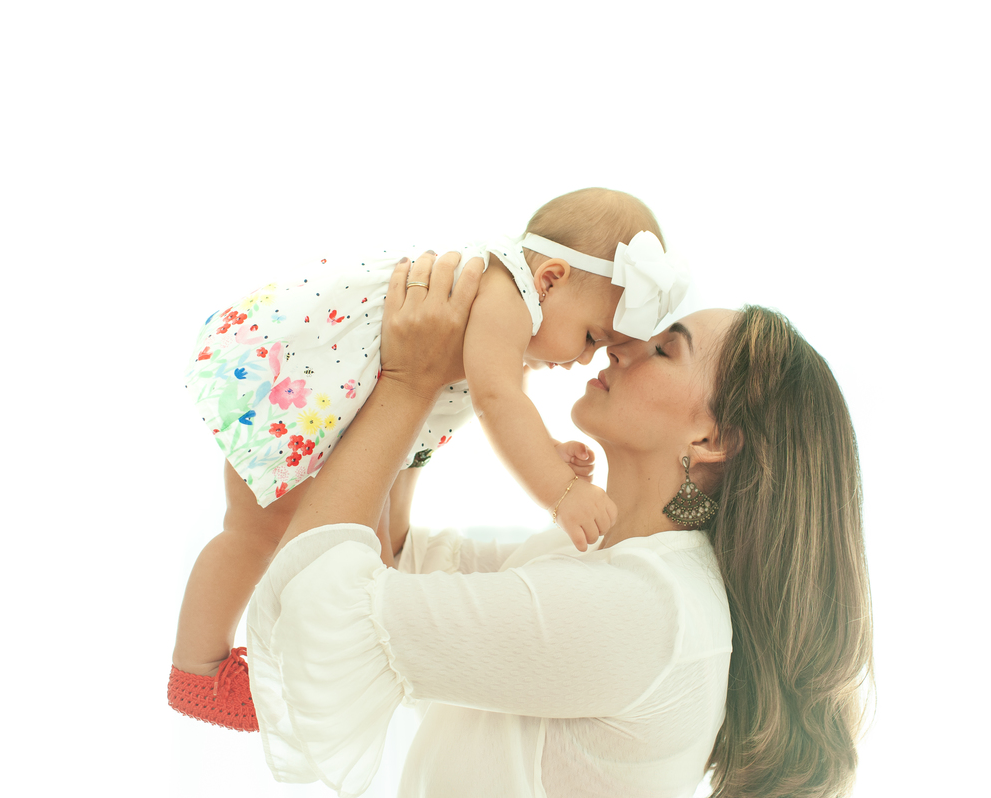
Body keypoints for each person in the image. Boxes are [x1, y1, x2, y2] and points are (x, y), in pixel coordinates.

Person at [245, 251, 874, 797]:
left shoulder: (646, 609)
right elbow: (398, 558)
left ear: (712, 438)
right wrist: (456, 378)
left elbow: (322, 609)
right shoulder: (600, 558)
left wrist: (407, 380)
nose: (621, 346)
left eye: (661, 348)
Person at [167, 188, 690, 732]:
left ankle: (308, 664)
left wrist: (550, 450)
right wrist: (561, 490)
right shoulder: (505, 295)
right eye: (589, 338)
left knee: (369, 547)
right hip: (299, 383)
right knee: (260, 530)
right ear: (550, 279)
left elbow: (505, 409)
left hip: (342, 403)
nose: (584, 360)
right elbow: (499, 401)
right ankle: (198, 667)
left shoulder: (516, 308)